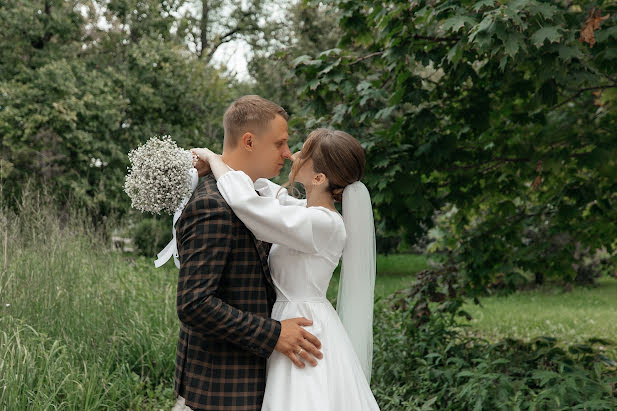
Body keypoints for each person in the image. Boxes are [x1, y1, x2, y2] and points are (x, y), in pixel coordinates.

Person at [193, 127, 380, 411]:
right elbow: (268, 195)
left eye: (303, 154)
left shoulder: (324, 225)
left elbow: (250, 205)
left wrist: (212, 157)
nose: (293, 156)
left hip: (302, 326)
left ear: (318, 178)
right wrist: (227, 162)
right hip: (289, 319)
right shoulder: (306, 212)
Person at [172, 95, 323, 411]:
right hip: (223, 387)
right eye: (280, 143)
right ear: (250, 141)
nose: (287, 153)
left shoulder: (251, 196)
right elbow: (193, 304)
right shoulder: (211, 205)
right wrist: (273, 334)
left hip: (252, 376)